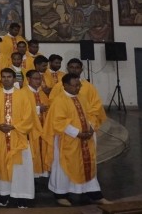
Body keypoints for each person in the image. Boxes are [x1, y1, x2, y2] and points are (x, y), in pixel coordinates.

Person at [43, 74, 112, 206]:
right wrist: (77, 133)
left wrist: (90, 128)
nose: (78, 88)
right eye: (75, 86)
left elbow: (90, 114)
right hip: (67, 141)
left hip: (85, 140)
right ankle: (61, 194)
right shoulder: (59, 101)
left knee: (87, 166)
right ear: (65, 85)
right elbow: (58, 122)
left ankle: (95, 194)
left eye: (79, 85)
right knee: (64, 168)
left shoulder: (82, 97)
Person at [0, 68, 37, 208]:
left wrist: (14, 126)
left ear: (14, 79)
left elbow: (29, 116)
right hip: (0, 137)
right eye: (4, 77)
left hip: (18, 137)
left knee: (20, 169)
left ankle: (22, 197)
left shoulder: (23, 95)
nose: (6, 79)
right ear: (0, 79)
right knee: (2, 166)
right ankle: (5, 195)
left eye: (9, 77)